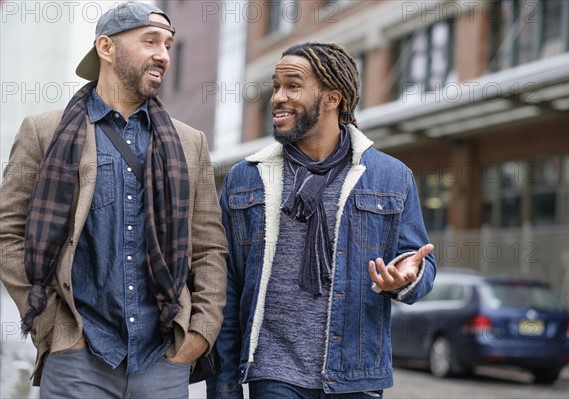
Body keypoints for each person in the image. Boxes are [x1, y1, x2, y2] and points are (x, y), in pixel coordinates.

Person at [0, 3, 227, 398]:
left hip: (163, 357)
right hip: (77, 357)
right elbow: (9, 233)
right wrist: (52, 327)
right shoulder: (43, 131)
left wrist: (200, 332)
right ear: (106, 48)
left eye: (169, 44)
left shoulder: (190, 143)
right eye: (150, 41)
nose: (163, 54)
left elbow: (208, 246)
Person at [206, 42, 436, 399]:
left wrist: (406, 277)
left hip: (355, 374)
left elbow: (421, 266)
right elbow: (226, 286)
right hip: (274, 370)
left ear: (333, 98)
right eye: (276, 86)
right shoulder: (246, 178)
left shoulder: (391, 177)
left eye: (293, 86)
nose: (278, 97)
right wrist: (223, 387)